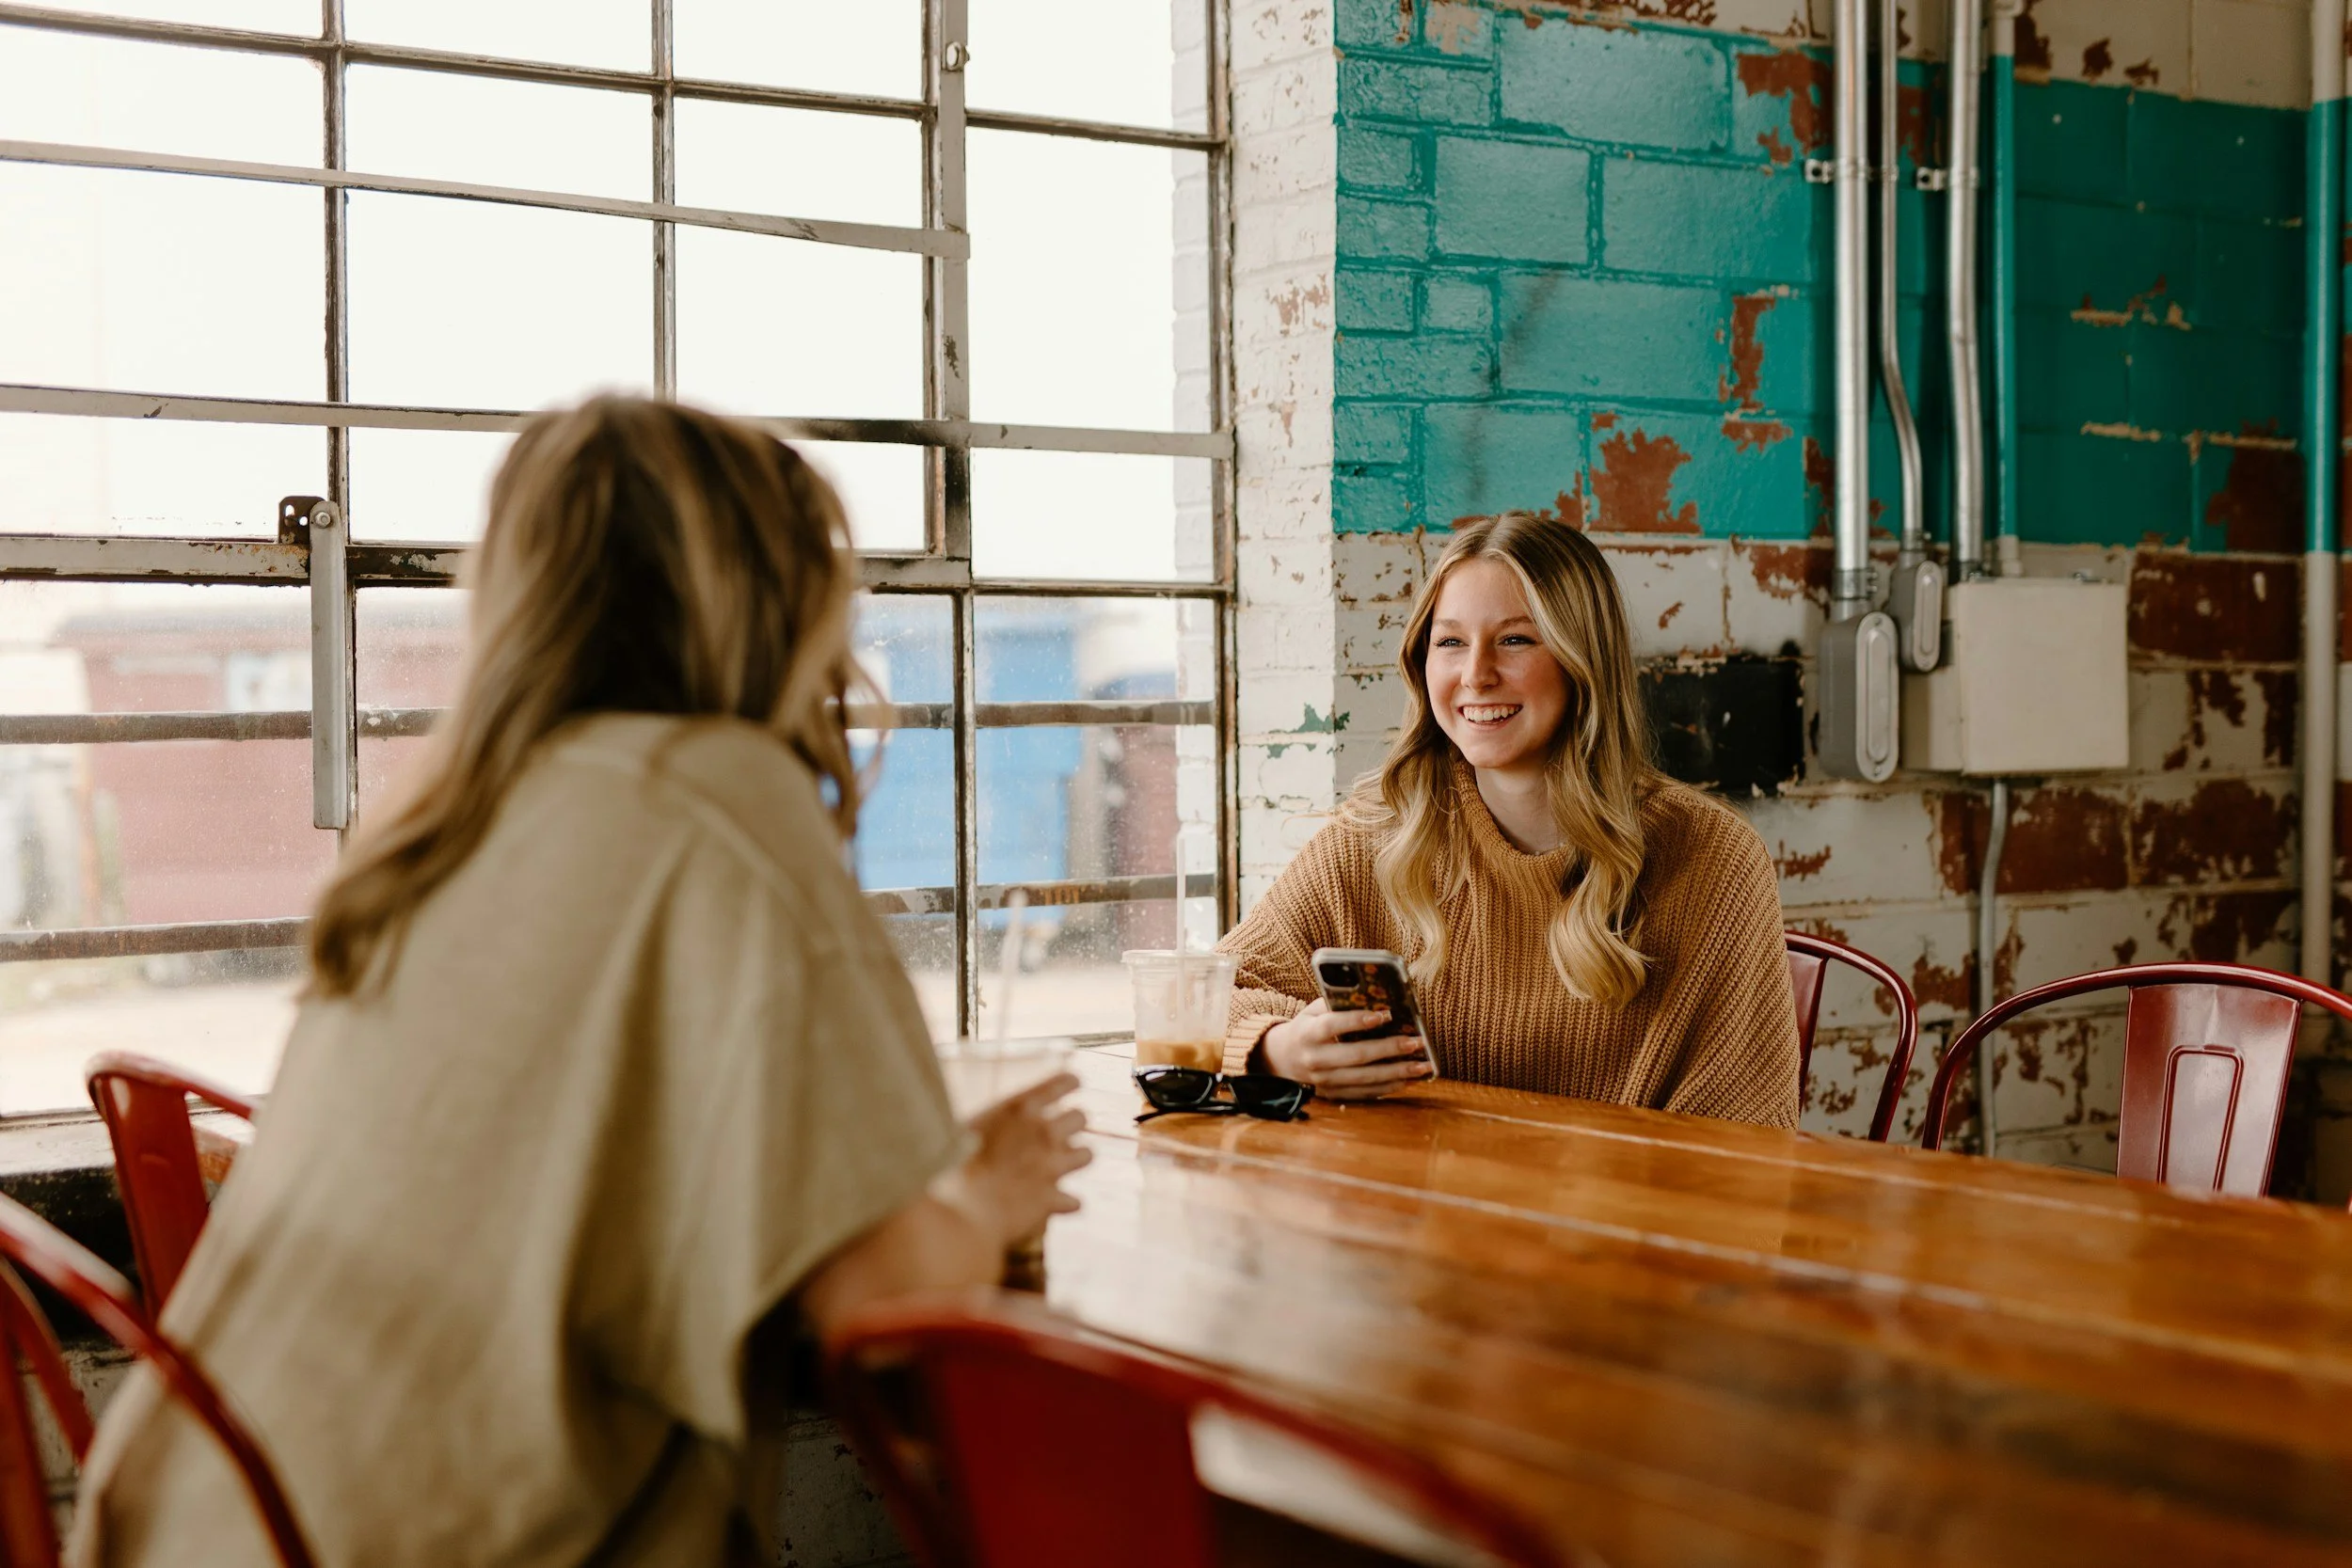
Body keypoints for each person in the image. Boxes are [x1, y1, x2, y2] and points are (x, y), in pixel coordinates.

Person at [70, 398, 1089, 1565]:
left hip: (191, 1509)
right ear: (773, 591)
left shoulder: (452, 815)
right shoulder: (724, 798)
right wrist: (988, 1193)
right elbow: (876, 1300)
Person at [1217, 513, 1800, 1126]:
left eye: (1516, 639)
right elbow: (1202, 998)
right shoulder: (1378, 833)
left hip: (1620, 1218)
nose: (1475, 673)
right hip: (1416, 1213)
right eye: (1450, 642)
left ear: (1584, 660)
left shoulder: (1716, 858)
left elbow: (1749, 1141)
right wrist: (1276, 1049)